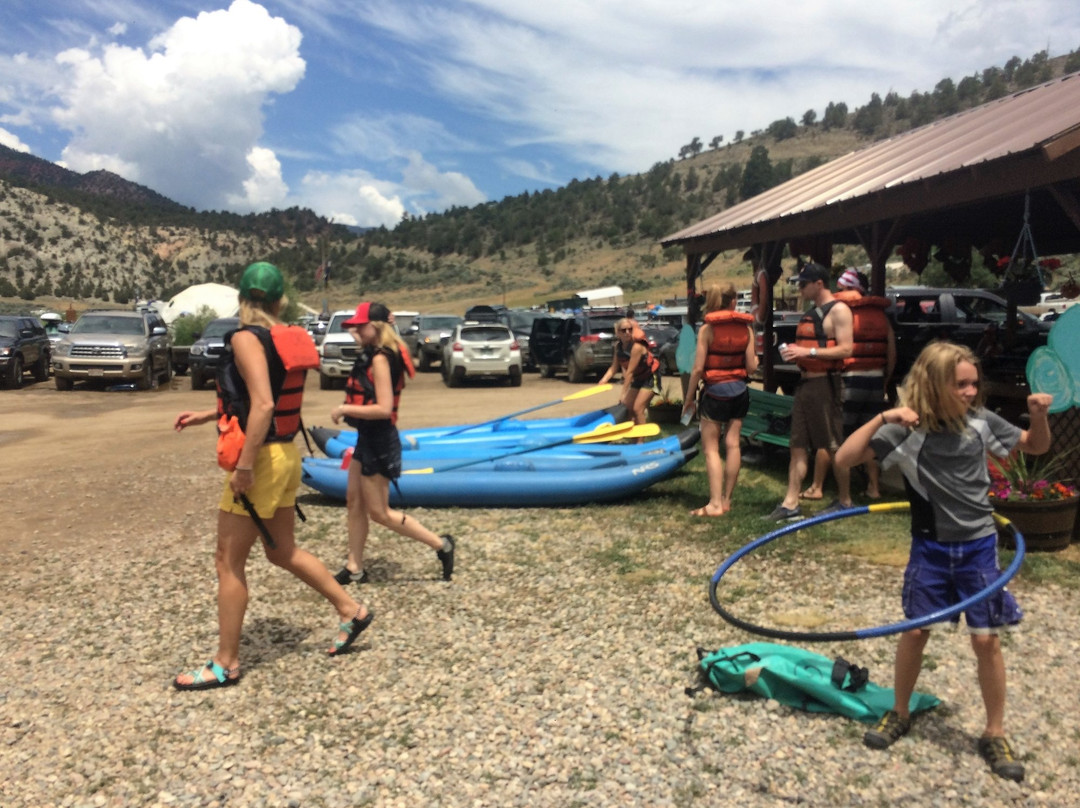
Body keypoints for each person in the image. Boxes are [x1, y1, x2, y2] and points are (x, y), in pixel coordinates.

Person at [835, 341, 1051, 782]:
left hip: (977, 547)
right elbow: (843, 459)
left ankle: (994, 731)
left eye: (974, 383)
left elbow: (1033, 446)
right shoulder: (906, 429)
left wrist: (1040, 415)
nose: (972, 392)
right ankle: (899, 711)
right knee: (915, 631)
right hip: (930, 548)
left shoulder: (980, 423)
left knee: (986, 641)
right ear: (934, 386)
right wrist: (882, 416)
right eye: (962, 385)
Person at [173, 262, 372, 690]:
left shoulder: (247, 339)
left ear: (242, 300)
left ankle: (225, 663)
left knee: (228, 562)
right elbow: (269, 400)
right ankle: (351, 610)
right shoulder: (289, 338)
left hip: (261, 461)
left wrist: (243, 467)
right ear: (281, 300)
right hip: (286, 454)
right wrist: (208, 414)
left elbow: (262, 405)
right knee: (281, 550)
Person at [330, 302, 455, 586]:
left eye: (360, 326)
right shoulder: (374, 354)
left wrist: (344, 409)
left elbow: (384, 408)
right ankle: (355, 567)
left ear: (376, 327)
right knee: (354, 502)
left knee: (380, 513)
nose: (355, 331)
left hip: (380, 440)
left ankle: (441, 545)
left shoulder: (381, 360)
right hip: (368, 437)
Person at [767, 262, 854, 520]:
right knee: (798, 445)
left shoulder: (839, 311)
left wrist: (809, 351)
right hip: (804, 385)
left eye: (804, 284)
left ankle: (845, 500)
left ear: (819, 284)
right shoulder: (812, 312)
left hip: (826, 385)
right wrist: (797, 354)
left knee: (834, 444)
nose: (801, 289)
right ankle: (790, 503)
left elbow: (847, 349)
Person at [804, 268, 896, 500]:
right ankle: (873, 487)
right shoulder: (880, 316)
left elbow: (831, 349)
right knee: (869, 436)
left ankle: (817, 487)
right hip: (875, 381)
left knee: (832, 435)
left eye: (841, 288)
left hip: (848, 380)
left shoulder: (840, 312)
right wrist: (884, 380)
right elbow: (891, 353)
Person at [682, 283, 758, 516]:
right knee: (733, 444)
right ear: (733, 301)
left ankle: (714, 504)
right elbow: (752, 368)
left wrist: (689, 399)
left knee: (711, 449)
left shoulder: (707, 330)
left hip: (715, 393)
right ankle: (726, 500)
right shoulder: (746, 329)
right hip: (740, 393)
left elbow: (697, 369)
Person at [598, 317, 661, 428]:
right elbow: (613, 368)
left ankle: (641, 442)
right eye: (623, 330)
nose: (627, 332)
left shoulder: (636, 347)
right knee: (627, 407)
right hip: (638, 379)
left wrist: (623, 394)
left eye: (630, 329)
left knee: (637, 408)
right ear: (618, 333)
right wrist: (603, 380)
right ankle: (632, 440)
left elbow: (630, 372)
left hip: (651, 378)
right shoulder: (618, 347)